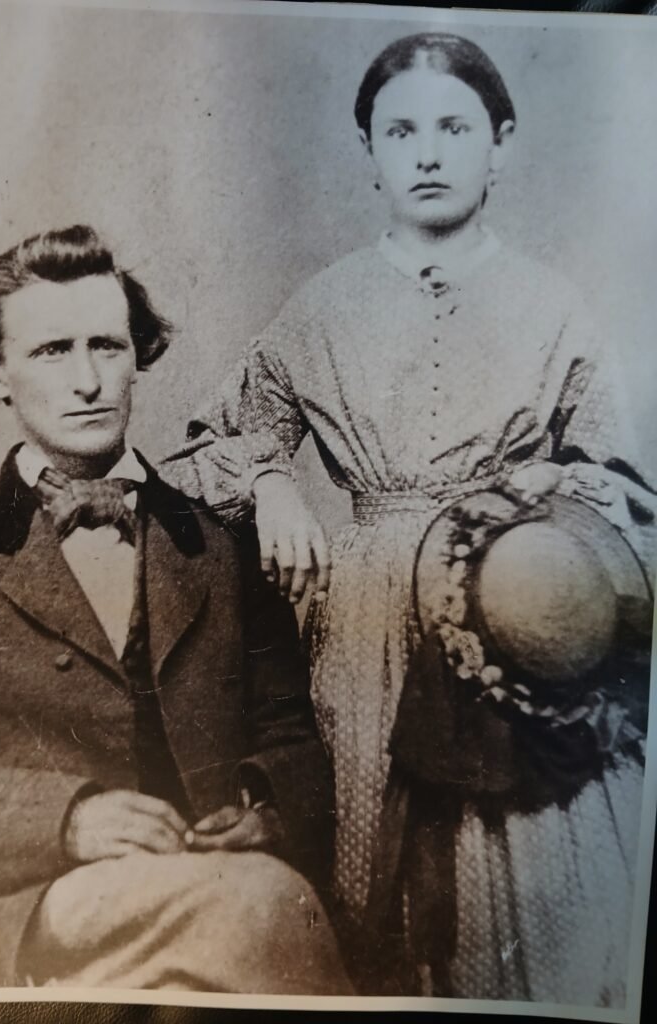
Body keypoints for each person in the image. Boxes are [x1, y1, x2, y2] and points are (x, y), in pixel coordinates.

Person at [163, 33, 656, 1004]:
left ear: (500, 143)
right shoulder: (323, 307)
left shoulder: (555, 309)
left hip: (514, 618)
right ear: (370, 152)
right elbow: (207, 450)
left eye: (454, 129)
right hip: (364, 631)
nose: (427, 154)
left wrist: (547, 514)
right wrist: (272, 485)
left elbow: (628, 494)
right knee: (373, 871)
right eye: (400, 132)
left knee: (540, 888)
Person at [0, 224, 353, 994]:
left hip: (207, 882)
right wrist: (67, 820)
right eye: (52, 351)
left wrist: (267, 806)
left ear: (138, 356)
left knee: (264, 904)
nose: (88, 381)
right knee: (263, 906)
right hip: (26, 914)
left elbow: (293, 738)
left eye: (106, 346)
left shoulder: (224, 546)